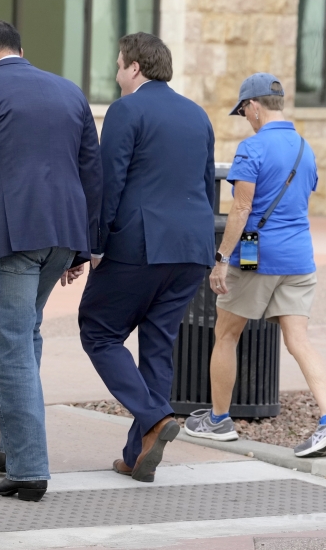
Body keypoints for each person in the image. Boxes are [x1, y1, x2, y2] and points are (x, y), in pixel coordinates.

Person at [0, 20, 102, 500]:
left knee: (12, 344)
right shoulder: (69, 92)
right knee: (26, 336)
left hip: (11, 237)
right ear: (21, 48)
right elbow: (91, 172)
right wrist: (82, 248)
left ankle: (29, 469)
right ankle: (13, 444)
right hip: (62, 234)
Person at [184, 73, 326, 458]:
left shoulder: (252, 148)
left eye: (244, 110)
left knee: (226, 334)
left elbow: (242, 209)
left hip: (255, 255)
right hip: (299, 259)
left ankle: (218, 420)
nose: (245, 117)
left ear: (254, 106)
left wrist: (220, 261)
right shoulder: (304, 149)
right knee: (299, 340)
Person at [78, 32, 215, 483]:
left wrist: (95, 245)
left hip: (139, 245)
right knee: (158, 343)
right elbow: (207, 185)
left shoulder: (126, 109)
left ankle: (156, 417)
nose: (116, 74)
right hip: (192, 248)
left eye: (119, 65)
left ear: (135, 67)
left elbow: (109, 181)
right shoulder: (198, 115)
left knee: (98, 331)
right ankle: (139, 455)